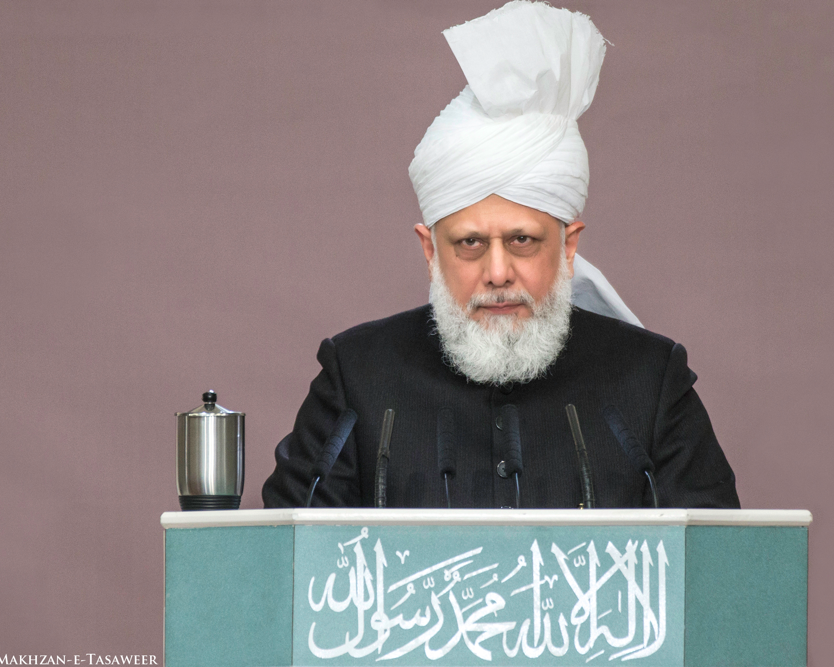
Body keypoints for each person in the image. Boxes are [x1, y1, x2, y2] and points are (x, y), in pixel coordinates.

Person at [262, 1, 739, 510]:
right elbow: (286, 548)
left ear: (569, 245)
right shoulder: (357, 375)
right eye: (470, 243)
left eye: (521, 241)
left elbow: (715, 555)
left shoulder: (650, 380)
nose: (497, 273)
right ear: (430, 250)